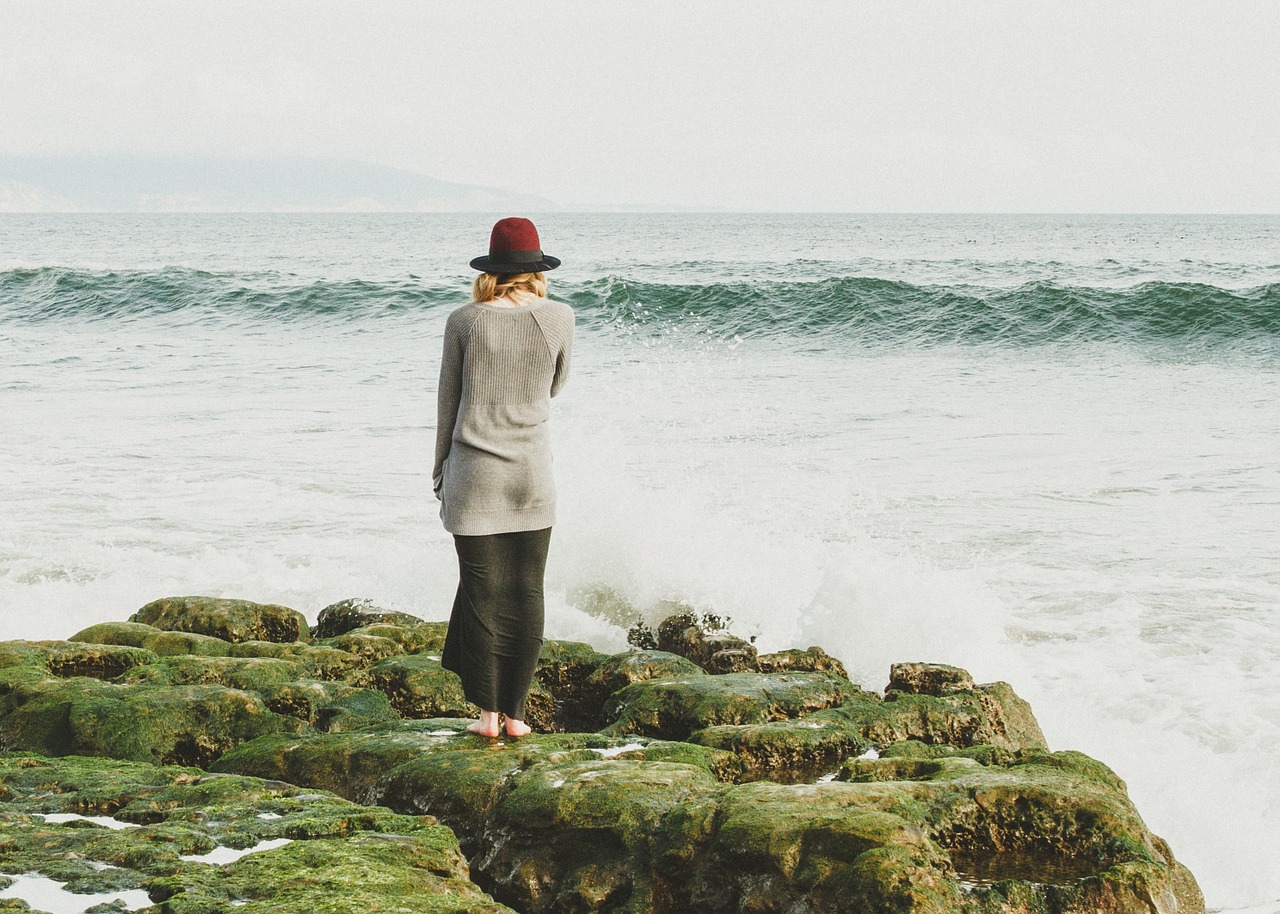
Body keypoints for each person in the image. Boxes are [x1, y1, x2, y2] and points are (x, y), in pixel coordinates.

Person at [433, 217, 575, 738]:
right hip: (533, 473)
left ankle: (487, 718)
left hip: (475, 474)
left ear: (490, 270)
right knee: (527, 592)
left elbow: (448, 402)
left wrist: (438, 471)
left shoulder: (464, 321)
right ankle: (517, 716)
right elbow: (556, 385)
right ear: (537, 270)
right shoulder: (560, 317)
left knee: (481, 593)